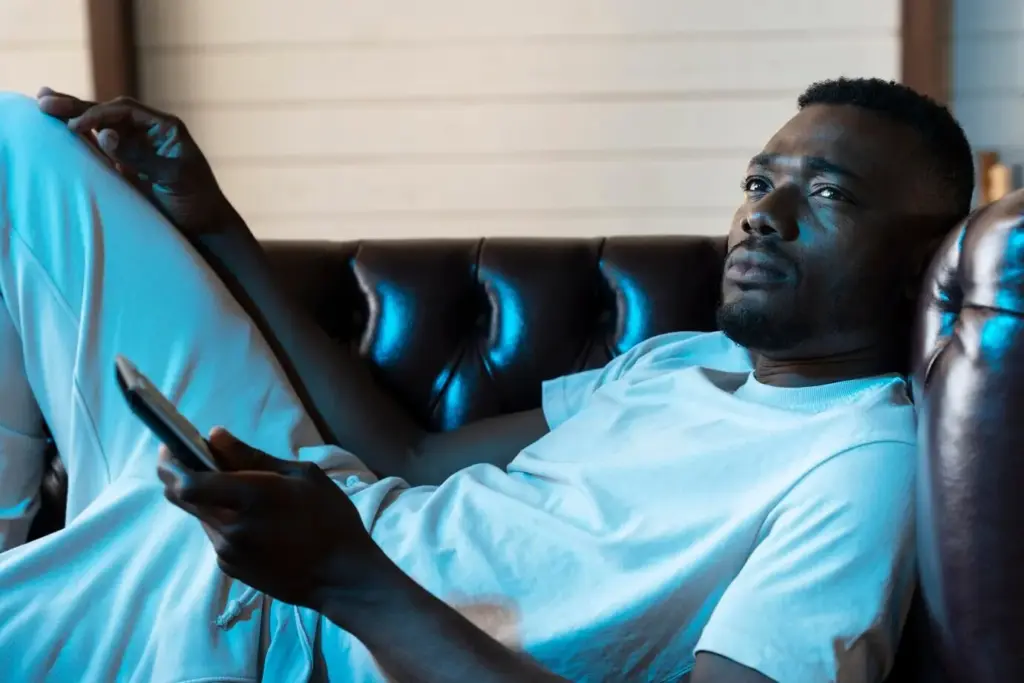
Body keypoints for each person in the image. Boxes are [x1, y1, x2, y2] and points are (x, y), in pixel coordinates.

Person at [0, 76, 973, 682]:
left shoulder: (862, 460)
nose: (764, 214)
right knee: (20, 144)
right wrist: (217, 227)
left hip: (291, 626)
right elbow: (409, 455)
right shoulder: (679, 360)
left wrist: (345, 576)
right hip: (309, 522)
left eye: (828, 194)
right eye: (760, 182)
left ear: (922, 264)